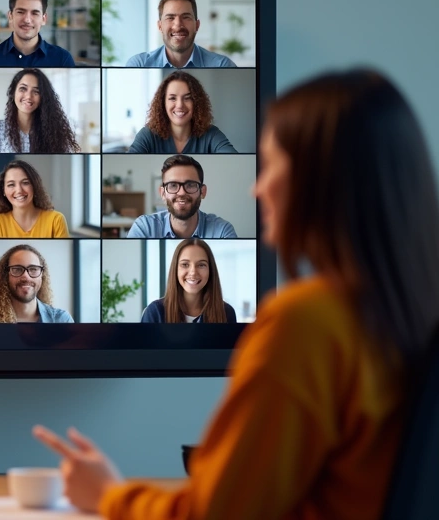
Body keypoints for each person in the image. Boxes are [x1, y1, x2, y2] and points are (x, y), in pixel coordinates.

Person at [35, 69, 439, 520]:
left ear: (320, 179)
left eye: (272, 165)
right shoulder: (410, 310)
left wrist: (109, 494)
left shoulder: (308, 322)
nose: (257, 187)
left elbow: (216, 513)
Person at [127, 155, 237, 239]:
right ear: (162, 193)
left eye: (190, 185)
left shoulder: (222, 231)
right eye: (173, 185)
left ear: (202, 192)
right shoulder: (144, 228)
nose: (181, 193)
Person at [0, 68, 81, 153]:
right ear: (13, 92)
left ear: (43, 97)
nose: (28, 96)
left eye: (36, 91)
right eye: (23, 89)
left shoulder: (56, 132)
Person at [128, 71, 237, 154]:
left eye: (187, 98)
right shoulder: (148, 135)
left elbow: (234, 160)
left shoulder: (211, 134)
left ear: (196, 103)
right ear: (163, 103)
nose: (180, 105)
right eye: (172, 98)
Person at [125, 0, 237, 68]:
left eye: (186, 17)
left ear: (197, 25)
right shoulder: (139, 64)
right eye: (170, 18)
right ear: (160, 26)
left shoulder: (222, 65)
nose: (178, 25)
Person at [140, 239, 237, 323]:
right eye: (185, 264)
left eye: (201, 265)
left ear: (210, 270)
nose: (193, 272)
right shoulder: (155, 312)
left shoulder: (227, 312)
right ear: (175, 270)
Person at [0, 0, 75, 67]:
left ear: (44, 19)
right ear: (10, 16)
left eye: (35, 13)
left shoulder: (62, 59)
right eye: (20, 12)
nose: (27, 20)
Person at [0, 245, 73, 323]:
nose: (26, 276)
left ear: (42, 275)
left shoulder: (61, 320)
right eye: (17, 269)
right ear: (5, 275)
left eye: (33, 269)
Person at [0, 160, 69, 238]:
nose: (19, 190)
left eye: (25, 183)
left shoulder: (56, 220)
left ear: (34, 186)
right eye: (11, 185)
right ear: (3, 190)